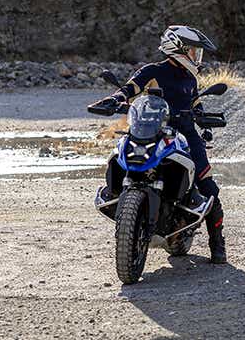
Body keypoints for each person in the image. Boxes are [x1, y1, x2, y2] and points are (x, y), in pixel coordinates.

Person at [94, 25, 227, 263]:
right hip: (150, 131)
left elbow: (196, 105)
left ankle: (217, 245)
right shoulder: (153, 71)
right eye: (194, 51)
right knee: (120, 156)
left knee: (208, 188)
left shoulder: (189, 79)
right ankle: (117, 198)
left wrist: (203, 115)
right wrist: (113, 100)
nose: (197, 57)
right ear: (178, 48)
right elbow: (129, 89)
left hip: (185, 135)